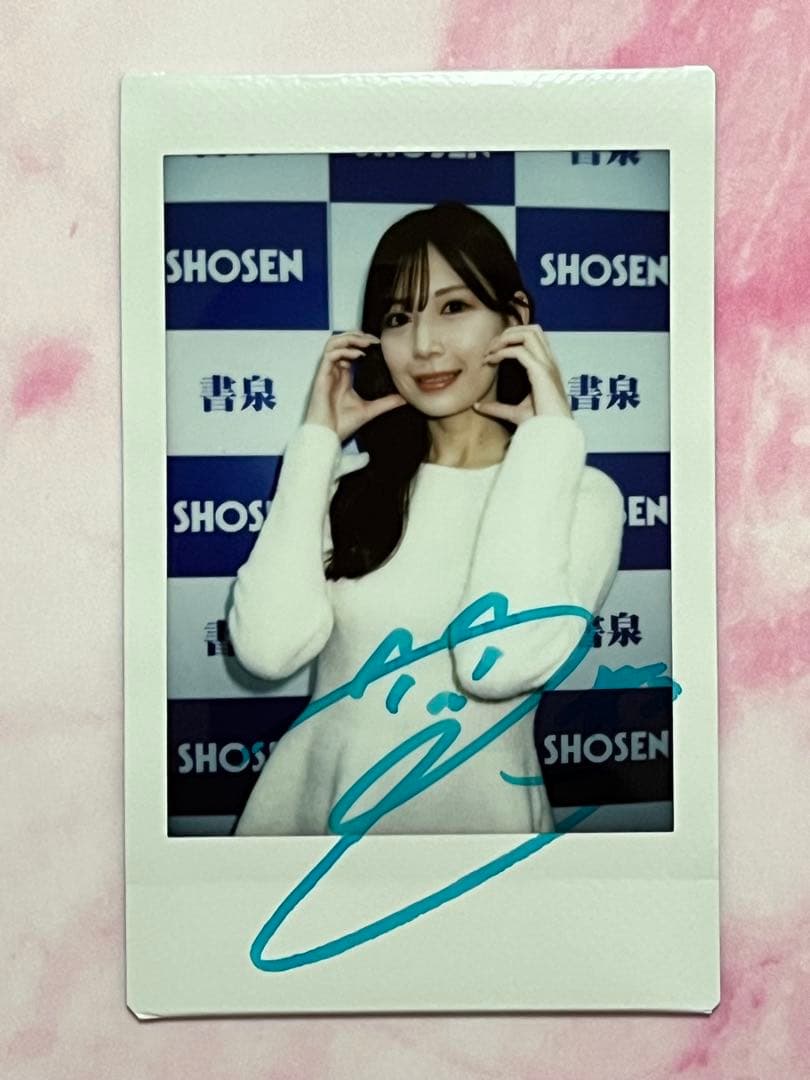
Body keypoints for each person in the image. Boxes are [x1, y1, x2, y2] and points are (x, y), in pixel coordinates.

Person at [227, 201, 625, 836]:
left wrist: (548, 441)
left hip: (480, 846)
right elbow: (268, 650)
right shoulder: (345, 487)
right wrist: (315, 446)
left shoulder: (579, 494)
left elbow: (496, 659)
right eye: (398, 318)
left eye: (454, 307)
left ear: (515, 319)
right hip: (311, 835)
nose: (424, 345)